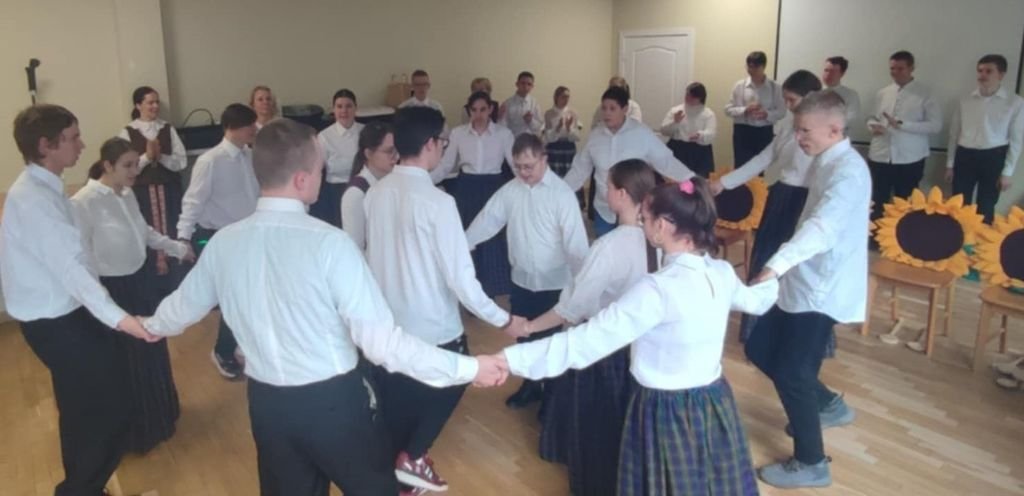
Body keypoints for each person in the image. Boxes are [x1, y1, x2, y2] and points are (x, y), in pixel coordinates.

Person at [141, 118, 509, 495]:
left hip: (267, 406)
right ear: (302, 179)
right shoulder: (331, 245)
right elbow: (383, 345)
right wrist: (468, 367)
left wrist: (143, 325)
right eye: (320, 169)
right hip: (333, 405)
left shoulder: (223, 243)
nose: (323, 176)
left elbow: (178, 310)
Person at [499, 178, 778, 496]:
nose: (642, 225)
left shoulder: (656, 289)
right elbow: (758, 301)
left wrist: (508, 360)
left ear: (662, 226)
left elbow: (586, 341)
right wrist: (775, 271)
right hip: (714, 401)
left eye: (645, 219)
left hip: (665, 410)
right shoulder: (722, 272)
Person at [364, 106, 523, 494]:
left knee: (397, 411)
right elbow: (462, 280)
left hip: (389, 325)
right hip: (435, 326)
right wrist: (503, 319)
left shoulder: (376, 193)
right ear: (431, 144)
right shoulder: (438, 202)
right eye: (443, 142)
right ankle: (414, 456)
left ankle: (403, 474)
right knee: (462, 372)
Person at [2, 104, 156, 496]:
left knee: (88, 410)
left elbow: (79, 260)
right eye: (72, 138)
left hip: (68, 316)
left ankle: (84, 487)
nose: (81, 145)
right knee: (104, 411)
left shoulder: (46, 188)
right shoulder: (33, 200)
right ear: (45, 145)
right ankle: (79, 490)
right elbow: (72, 269)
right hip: (55, 324)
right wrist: (122, 320)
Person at [746, 91, 869, 488]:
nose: (798, 138)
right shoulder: (826, 161)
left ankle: (812, 461)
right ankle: (827, 404)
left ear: (834, 129)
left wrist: (775, 264)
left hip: (822, 289)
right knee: (759, 347)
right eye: (797, 130)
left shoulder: (847, 173)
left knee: (792, 372)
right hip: (804, 279)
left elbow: (823, 228)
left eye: (804, 131)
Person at [518, 158, 658, 495]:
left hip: (605, 353)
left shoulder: (608, 247)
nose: (604, 191)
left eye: (608, 186)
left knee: (598, 430)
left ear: (621, 195)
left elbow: (573, 307)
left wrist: (530, 327)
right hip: (646, 347)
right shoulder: (660, 241)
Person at [71, 137, 195, 454]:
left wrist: (176, 247)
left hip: (140, 282)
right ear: (107, 165)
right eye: (127, 165)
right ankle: (134, 432)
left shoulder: (127, 195)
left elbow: (144, 232)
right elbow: (82, 256)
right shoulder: (84, 202)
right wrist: (96, 298)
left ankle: (160, 416)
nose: (134, 171)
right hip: (113, 290)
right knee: (126, 363)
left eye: (135, 164)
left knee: (151, 351)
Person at [465, 133, 589, 410]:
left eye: (529, 166)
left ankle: (553, 397)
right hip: (521, 280)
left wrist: (583, 286)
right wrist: (463, 245)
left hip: (554, 283)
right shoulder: (511, 190)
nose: (523, 172)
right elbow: (488, 220)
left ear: (544, 159)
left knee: (552, 342)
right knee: (524, 335)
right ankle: (530, 387)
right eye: (518, 166)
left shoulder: (561, 194)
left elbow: (576, 245)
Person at [711, 70, 821, 349]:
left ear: (811, 97)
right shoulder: (788, 126)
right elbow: (764, 158)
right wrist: (723, 183)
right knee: (766, 259)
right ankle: (760, 329)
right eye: (786, 100)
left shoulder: (821, 133)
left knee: (797, 267)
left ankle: (792, 333)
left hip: (807, 202)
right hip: (782, 196)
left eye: (792, 100)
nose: (788, 106)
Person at [178, 103, 261, 380]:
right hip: (223, 236)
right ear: (232, 128)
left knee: (251, 294)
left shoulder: (250, 156)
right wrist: (183, 237)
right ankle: (222, 350)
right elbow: (193, 201)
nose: (254, 129)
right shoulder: (210, 161)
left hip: (250, 234)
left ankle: (242, 346)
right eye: (249, 125)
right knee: (233, 297)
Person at [564, 86, 695, 237]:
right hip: (604, 208)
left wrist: (692, 180)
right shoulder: (595, 136)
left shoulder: (641, 133)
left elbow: (665, 161)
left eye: (612, 108)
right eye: (604, 108)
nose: (607, 113)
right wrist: (560, 191)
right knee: (606, 248)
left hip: (635, 211)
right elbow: (579, 169)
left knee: (633, 249)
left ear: (625, 109)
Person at [431, 91, 516, 296]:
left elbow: (515, 165)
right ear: (468, 111)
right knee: (467, 238)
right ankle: (469, 289)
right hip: (467, 188)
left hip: (494, 188)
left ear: (491, 109)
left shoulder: (504, 134)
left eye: (483, 109)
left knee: (493, 238)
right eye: (474, 110)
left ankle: (492, 290)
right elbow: (446, 165)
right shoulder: (458, 133)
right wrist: (422, 181)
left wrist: (531, 186)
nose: (479, 115)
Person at [118, 86, 188, 289]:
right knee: (145, 231)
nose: (155, 106)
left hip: (169, 191)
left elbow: (181, 161)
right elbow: (123, 167)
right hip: (142, 193)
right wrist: (147, 157)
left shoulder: (167, 128)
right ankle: (152, 282)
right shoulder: (128, 132)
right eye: (150, 102)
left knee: (172, 228)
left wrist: (161, 156)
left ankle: (176, 278)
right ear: (138, 105)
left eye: (156, 102)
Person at [946, 53, 1024, 224]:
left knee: (987, 204)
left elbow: (1016, 141)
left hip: (993, 157)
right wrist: (950, 164)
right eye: (980, 71)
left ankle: (982, 238)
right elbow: (954, 133)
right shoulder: (965, 99)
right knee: (959, 203)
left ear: (1001, 74)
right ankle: (959, 238)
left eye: (989, 71)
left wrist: (1007, 173)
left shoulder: (1015, 102)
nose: (983, 75)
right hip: (965, 155)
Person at [867, 51, 942, 221]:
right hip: (880, 156)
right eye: (892, 68)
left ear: (911, 68)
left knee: (906, 204)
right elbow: (871, 117)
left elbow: (935, 125)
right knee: (877, 201)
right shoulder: (883, 93)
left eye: (900, 68)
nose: (895, 72)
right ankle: (874, 235)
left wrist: (903, 125)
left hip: (910, 158)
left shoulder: (926, 93)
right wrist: (872, 126)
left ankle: (902, 237)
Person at [340, 122, 398, 250]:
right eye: (389, 151)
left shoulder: (393, 182)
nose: (396, 157)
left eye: (397, 150)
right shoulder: (356, 193)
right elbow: (355, 247)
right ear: (368, 154)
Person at [725, 51, 786, 168]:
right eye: (749, 67)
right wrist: (745, 110)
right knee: (741, 166)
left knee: (760, 167)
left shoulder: (775, 87)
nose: (751, 70)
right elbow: (727, 109)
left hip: (764, 131)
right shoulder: (739, 86)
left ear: (763, 66)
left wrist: (766, 114)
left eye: (755, 67)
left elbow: (782, 111)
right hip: (742, 131)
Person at [313, 88, 364, 226]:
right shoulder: (324, 136)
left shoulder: (365, 131)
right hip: (335, 191)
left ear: (355, 108)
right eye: (339, 106)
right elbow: (318, 167)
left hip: (362, 186)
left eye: (348, 106)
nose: (344, 111)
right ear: (333, 110)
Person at [661, 82, 717, 177]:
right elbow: (664, 130)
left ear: (700, 97)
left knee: (698, 181)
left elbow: (711, 133)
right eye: (687, 94)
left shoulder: (708, 114)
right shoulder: (676, 111)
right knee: (675, 179)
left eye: (692, 96)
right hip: (678, 148)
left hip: (699, 152)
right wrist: (675, 122)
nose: (688, 98)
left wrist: (700, 135)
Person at [499, 71, 544, 137]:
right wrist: (499, 117)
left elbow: (540, 126)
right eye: (523, 83)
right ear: (517, 84)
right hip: (513, 139)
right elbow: (503, 126)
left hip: (530, 140)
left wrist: (530, 121)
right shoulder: (507, 104)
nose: (525, 86)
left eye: (529, 84)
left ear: (532, 86)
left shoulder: (535, 103)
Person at [821, 56, 861, 126]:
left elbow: (850, 118)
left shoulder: (851, 95)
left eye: (833, 71)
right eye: (826, 70)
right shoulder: (812, 92)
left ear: (842, 74)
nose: (828, 75)